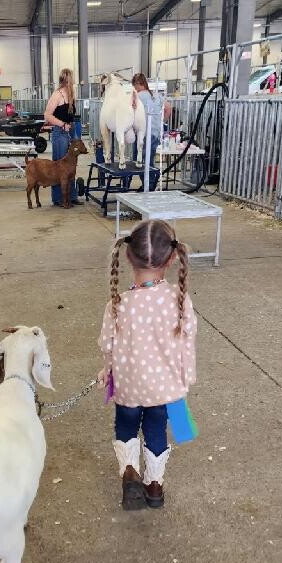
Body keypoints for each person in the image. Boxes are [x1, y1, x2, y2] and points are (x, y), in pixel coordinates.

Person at [98, 219, 197, 511]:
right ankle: (154, 488)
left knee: (125, 427)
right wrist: (184, 383)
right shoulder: (179, 300)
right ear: (171, 258)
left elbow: (108, 345)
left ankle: (130, 471)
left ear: (128, 257)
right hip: (163, 392)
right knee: (156, 433)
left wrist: (107, 371)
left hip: (128, 387)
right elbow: (187, 344)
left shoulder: (120, 302)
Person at [43, 68, 79, 207]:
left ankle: (71, 196)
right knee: (59, 167)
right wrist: (62, 125)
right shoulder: (57, 95)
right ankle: (58, 198)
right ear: (66, 79)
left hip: (71, 130)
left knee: (71, 165)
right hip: (60, 131)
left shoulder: (71, 94)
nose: (72, 81)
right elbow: (47, 115)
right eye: (71, 78)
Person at [131, 73, 165, 166]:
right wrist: (161, 122)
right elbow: (169, 108)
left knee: (140, 162)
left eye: (135, 86)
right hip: (155, 133)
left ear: (137, 84)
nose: (135, 88)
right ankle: (152, 178)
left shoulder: (137, 96)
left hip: (143, 134)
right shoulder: (156, 95)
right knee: (149, 160)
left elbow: (131, 113)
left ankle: (151, 180)